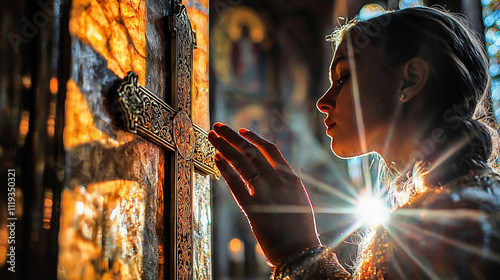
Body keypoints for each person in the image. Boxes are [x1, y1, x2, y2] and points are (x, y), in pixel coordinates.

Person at [208, 6, 500, 279]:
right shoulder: (462, 200)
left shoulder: (436, 223)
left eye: (344, 77)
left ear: (410, 80)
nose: (323, 102)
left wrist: (298, 253)